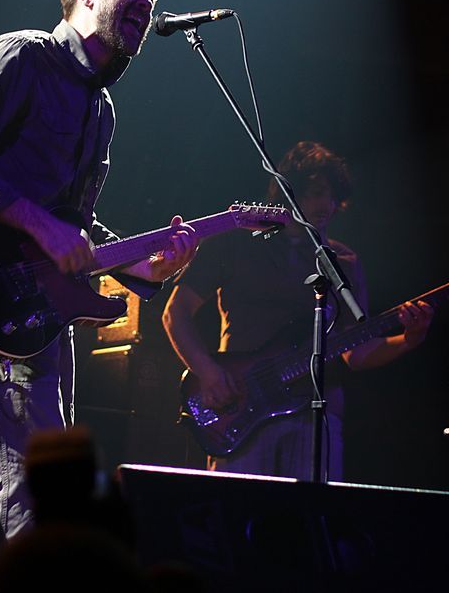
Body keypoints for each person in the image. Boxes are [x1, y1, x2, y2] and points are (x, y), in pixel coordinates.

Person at [0, 0, 198, 537]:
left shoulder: (101, 108)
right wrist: (39, 225)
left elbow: (76, 226)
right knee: (22, 484)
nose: (148, 7)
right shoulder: (20, 55)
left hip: (43, 307)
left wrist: (144, 269)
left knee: (54, 485)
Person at [162, 141, 432, 480]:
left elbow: (356, 352)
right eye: (317, 193)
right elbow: (176, 313)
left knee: (310, 513)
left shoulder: (343, 262)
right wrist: (207, 371)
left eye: (333, 197)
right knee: (238, 509)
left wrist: (408, 339)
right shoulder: (235, 241)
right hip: (241, 405)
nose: (327, 205)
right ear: (290, 192)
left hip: (315, 414)